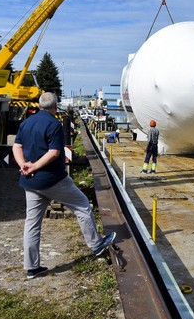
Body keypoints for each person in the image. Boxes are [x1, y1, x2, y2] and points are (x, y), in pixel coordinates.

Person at [12, 92, 116, 279]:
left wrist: (24, 165)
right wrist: (35, 165)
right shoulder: (54, 124)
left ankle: (31, 267)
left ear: (39, 104)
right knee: (82, 206)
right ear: (55, 106)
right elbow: (54, 152)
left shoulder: (26, 123)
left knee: (32, 224)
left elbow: (16, 146)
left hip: (30, 181)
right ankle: (97, 245)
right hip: (52, 180)